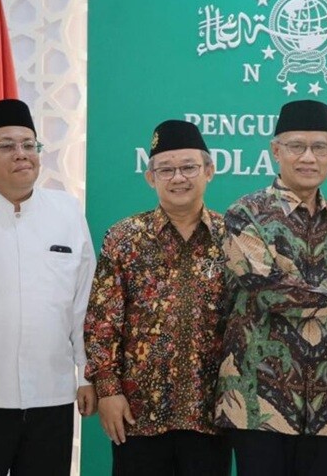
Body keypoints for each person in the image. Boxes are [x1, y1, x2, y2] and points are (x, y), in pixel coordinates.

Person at [214, 100, 327, 476]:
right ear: (276, 151)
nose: (308, 157)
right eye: (296, 146)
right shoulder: (245, 214)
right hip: (258, 399)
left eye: (319, 147)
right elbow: (271, 291)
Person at [84, 120, 231, 475]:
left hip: (211, 415)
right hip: (137, 416)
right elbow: (102, 320)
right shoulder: (124, 238)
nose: (178, 178)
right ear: (151, 177)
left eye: (188, 167)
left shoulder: (233, 238)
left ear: (209, 171)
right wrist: (108, 389)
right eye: (166, 169)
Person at [0, 99, 97, 475]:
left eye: (29, 144)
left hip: (52, 396)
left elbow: (83, 303)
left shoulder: (67, 211)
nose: (22, 154)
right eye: (7, 145)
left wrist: (87, 374)